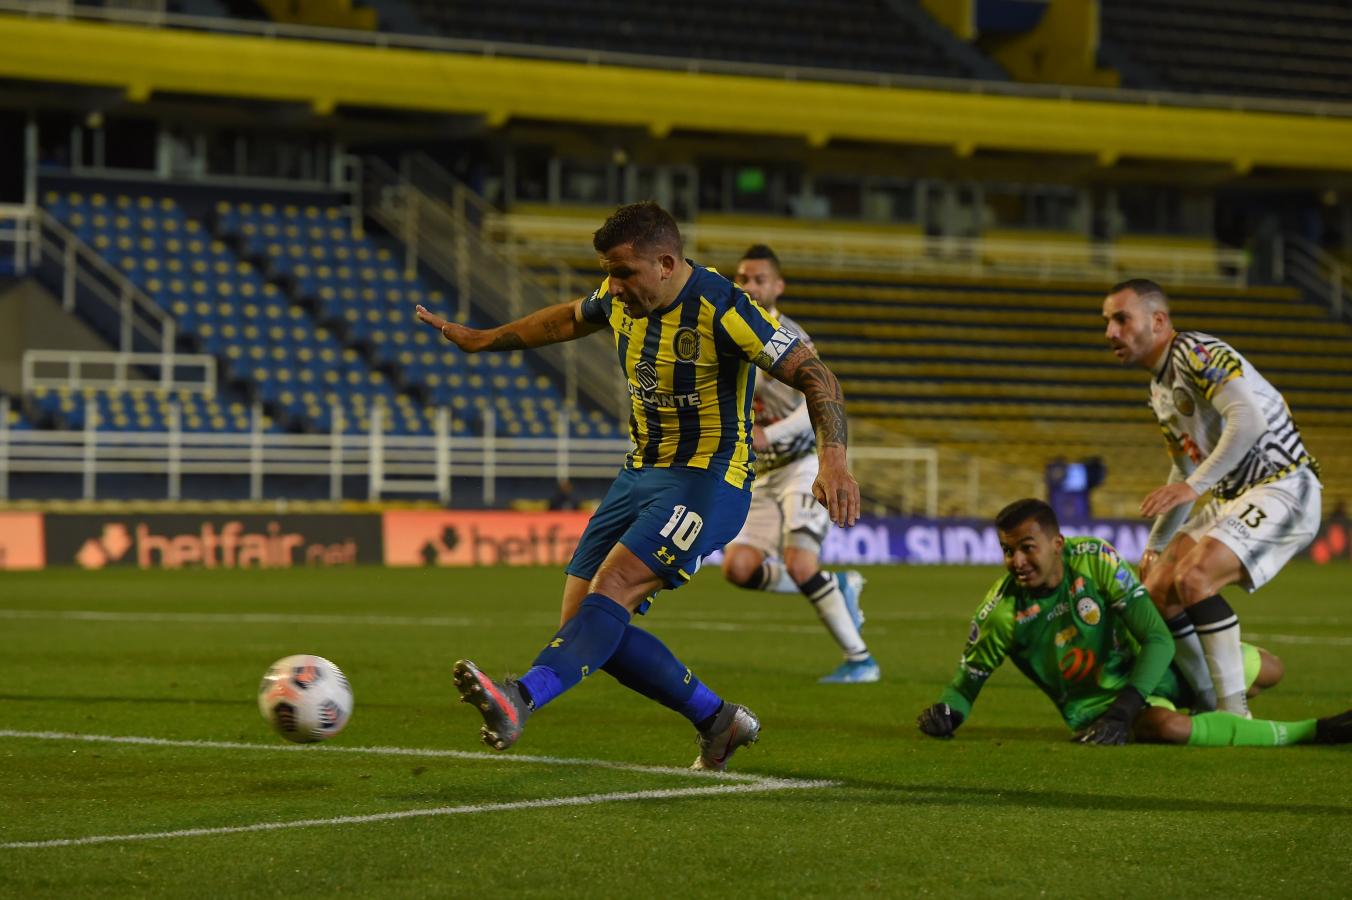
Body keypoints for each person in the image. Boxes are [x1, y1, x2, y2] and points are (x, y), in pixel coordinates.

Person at [414, 201, 860, 770]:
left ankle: (520, 697)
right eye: (608, 271)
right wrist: (485, 339)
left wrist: (835, 461)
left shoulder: (724, 309)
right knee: (582, 623)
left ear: (667, 263)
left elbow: (815, 373)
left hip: (707, 481)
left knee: (616, 584)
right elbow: (569, 318)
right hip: (639, 474)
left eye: (623, 272)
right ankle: (718, 720)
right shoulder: (622, 295)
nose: (613, 285)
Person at [916, 499, 1352, 747]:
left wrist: (1130, 702)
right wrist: (948, 713)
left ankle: (1199, 707)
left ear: (1056, 544)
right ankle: (1315, 731)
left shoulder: (1095, 560)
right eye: (1007, 551)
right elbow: (965, 686)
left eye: (1027, 548)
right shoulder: (1002, 614)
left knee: (1272, 669)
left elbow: (1159, 638)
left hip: (1148, 669)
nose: (1017, 561)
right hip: (1096, 709)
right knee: (1166, 728)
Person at [1102, 278, 1321, 716]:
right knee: (1157, 589)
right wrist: (1156, 544)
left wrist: (1195, 487)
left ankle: (1233, 710)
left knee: (1194, 578)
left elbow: (1249, 419)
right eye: (1107, 322)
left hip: (1283, 483)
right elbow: (1184, 468)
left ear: (1158, 320)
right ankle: (1206, 700)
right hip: (1235, 494)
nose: (1110, 332)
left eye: (1121, 319)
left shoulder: (1198, 352)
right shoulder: (1159, 389)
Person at [719, 245, 877, 684]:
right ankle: (838, 587)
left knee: (800, 562)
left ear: (778, 286)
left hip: (804, 461)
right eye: (742, 278)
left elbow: (816, 395)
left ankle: (861, 659)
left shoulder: (788, 335)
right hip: (762, 471)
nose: (748, 286)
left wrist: (771, 433)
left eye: (758, 279)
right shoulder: (730, 330)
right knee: (738, 568)